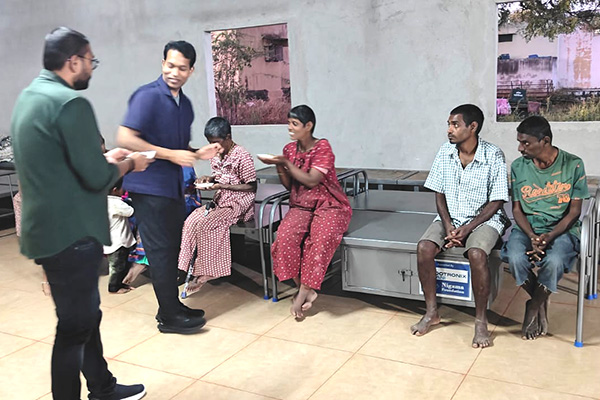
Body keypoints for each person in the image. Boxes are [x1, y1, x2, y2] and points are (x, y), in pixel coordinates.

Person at [11, 27, 150, 400]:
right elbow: (96, 178)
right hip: (71, 233)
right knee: (74, 329)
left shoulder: (29, 97)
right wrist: (130, 163)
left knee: (85, 317)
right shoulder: (71, 103)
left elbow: (59, 165)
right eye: (91, 61)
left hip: (46, 231)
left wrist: (105, 158)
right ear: (73, 61)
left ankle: (103, 386)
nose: (92, 67)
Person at [116, 40, 222, 334]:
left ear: (191, 71)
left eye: (182, 68)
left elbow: (178, 148)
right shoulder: (147, 96)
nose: (174, 72)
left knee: (172, 249)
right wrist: (171, 155)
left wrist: (197, 153)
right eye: (170, 65)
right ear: (163, 63)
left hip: (173, 187)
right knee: (161, 252)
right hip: (148, 186)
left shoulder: (184, 104)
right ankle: (169, 317)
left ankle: (170, 307)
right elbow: (125, 137)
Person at [410, 104, 510, 348]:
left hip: (485, 220)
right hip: (450, 218)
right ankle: (431, 312)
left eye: (455, 124)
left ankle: (480, 320)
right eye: (448, 124)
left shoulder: (493, 155)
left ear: (472, 127)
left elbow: (497, 200)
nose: (449, 130)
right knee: (424, 248)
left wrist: (468, 228)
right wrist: (448, 225)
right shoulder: (445, 152)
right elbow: (439, 193)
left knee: (476, 253)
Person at [258, 105, 352, 319]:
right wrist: (279, 165)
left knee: (319, 240)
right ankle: (305, 288)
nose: (289, 127)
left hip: (330, 204)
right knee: (283, 239)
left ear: (308, 126)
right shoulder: (289, 150)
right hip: (301, 204)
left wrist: (284, 162)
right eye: (289, 123)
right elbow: (290, 185)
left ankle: (302, 294)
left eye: (295, 124)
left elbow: (311, 180)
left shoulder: (322, 148)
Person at [501, 115, 588, 340]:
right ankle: (540, 300)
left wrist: (549, 236)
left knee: (555, 260)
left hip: (562, 228)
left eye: (526, 143)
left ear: (545, 141)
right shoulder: (519, 166)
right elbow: (517, 210)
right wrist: (532, 235)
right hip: (527, 228)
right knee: (515, 258)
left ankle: (532, 305)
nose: (520, 148)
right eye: (519, 142)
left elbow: (574, 212)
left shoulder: (574, 164)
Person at [178, 117, 257, 295]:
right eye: (210, 143)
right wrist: (210, 179)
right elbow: (219, 175)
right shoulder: (215, 154)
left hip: (239, 202)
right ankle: (184, 267)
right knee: (190, 221)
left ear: (228, 137)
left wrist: (222, 185)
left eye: (216, 142)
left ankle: (208, 272)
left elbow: (252, 186)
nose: (213, 146)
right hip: (221, 199)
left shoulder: (242, 155)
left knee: (207, 223)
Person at [104, 178, 136, 294]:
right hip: (118, 242)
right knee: (117, 267)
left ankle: (120, 284)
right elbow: (130, 211)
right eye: (122, 188)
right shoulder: (116, 203)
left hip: (113, 241)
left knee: (120, 265)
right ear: (115, 190)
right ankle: (114, 288)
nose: (124, 190)